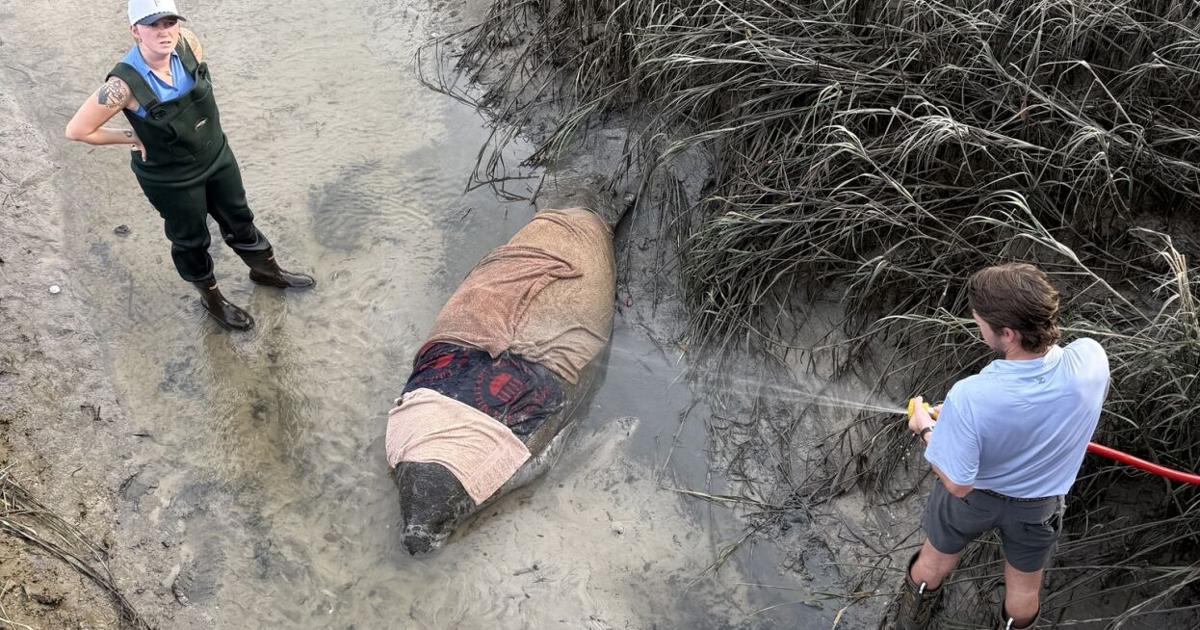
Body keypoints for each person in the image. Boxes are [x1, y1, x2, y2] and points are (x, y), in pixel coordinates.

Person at [65, 0, 313, 331]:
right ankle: (211, 298)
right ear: (134, 31)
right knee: (191, 240)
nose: (164, 32)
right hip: (171, 178)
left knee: (240, 217)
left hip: (216, 156)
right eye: (152, 25)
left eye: (169, 22)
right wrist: (132, 136)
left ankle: (267, 271)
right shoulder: (122, 86)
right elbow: (78, 130)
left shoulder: (188, 44)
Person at [894, 263, 1109, 630]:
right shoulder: (1092, 359)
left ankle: (908, 621)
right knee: (1025, 589)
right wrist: (961, 421)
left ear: (1007, 333)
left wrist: (926, 428)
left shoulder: (971, 395)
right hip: (1039, 507)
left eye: (979, 322)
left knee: (932, 564)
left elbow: (958, 482)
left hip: (972, 499)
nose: (977, 327)